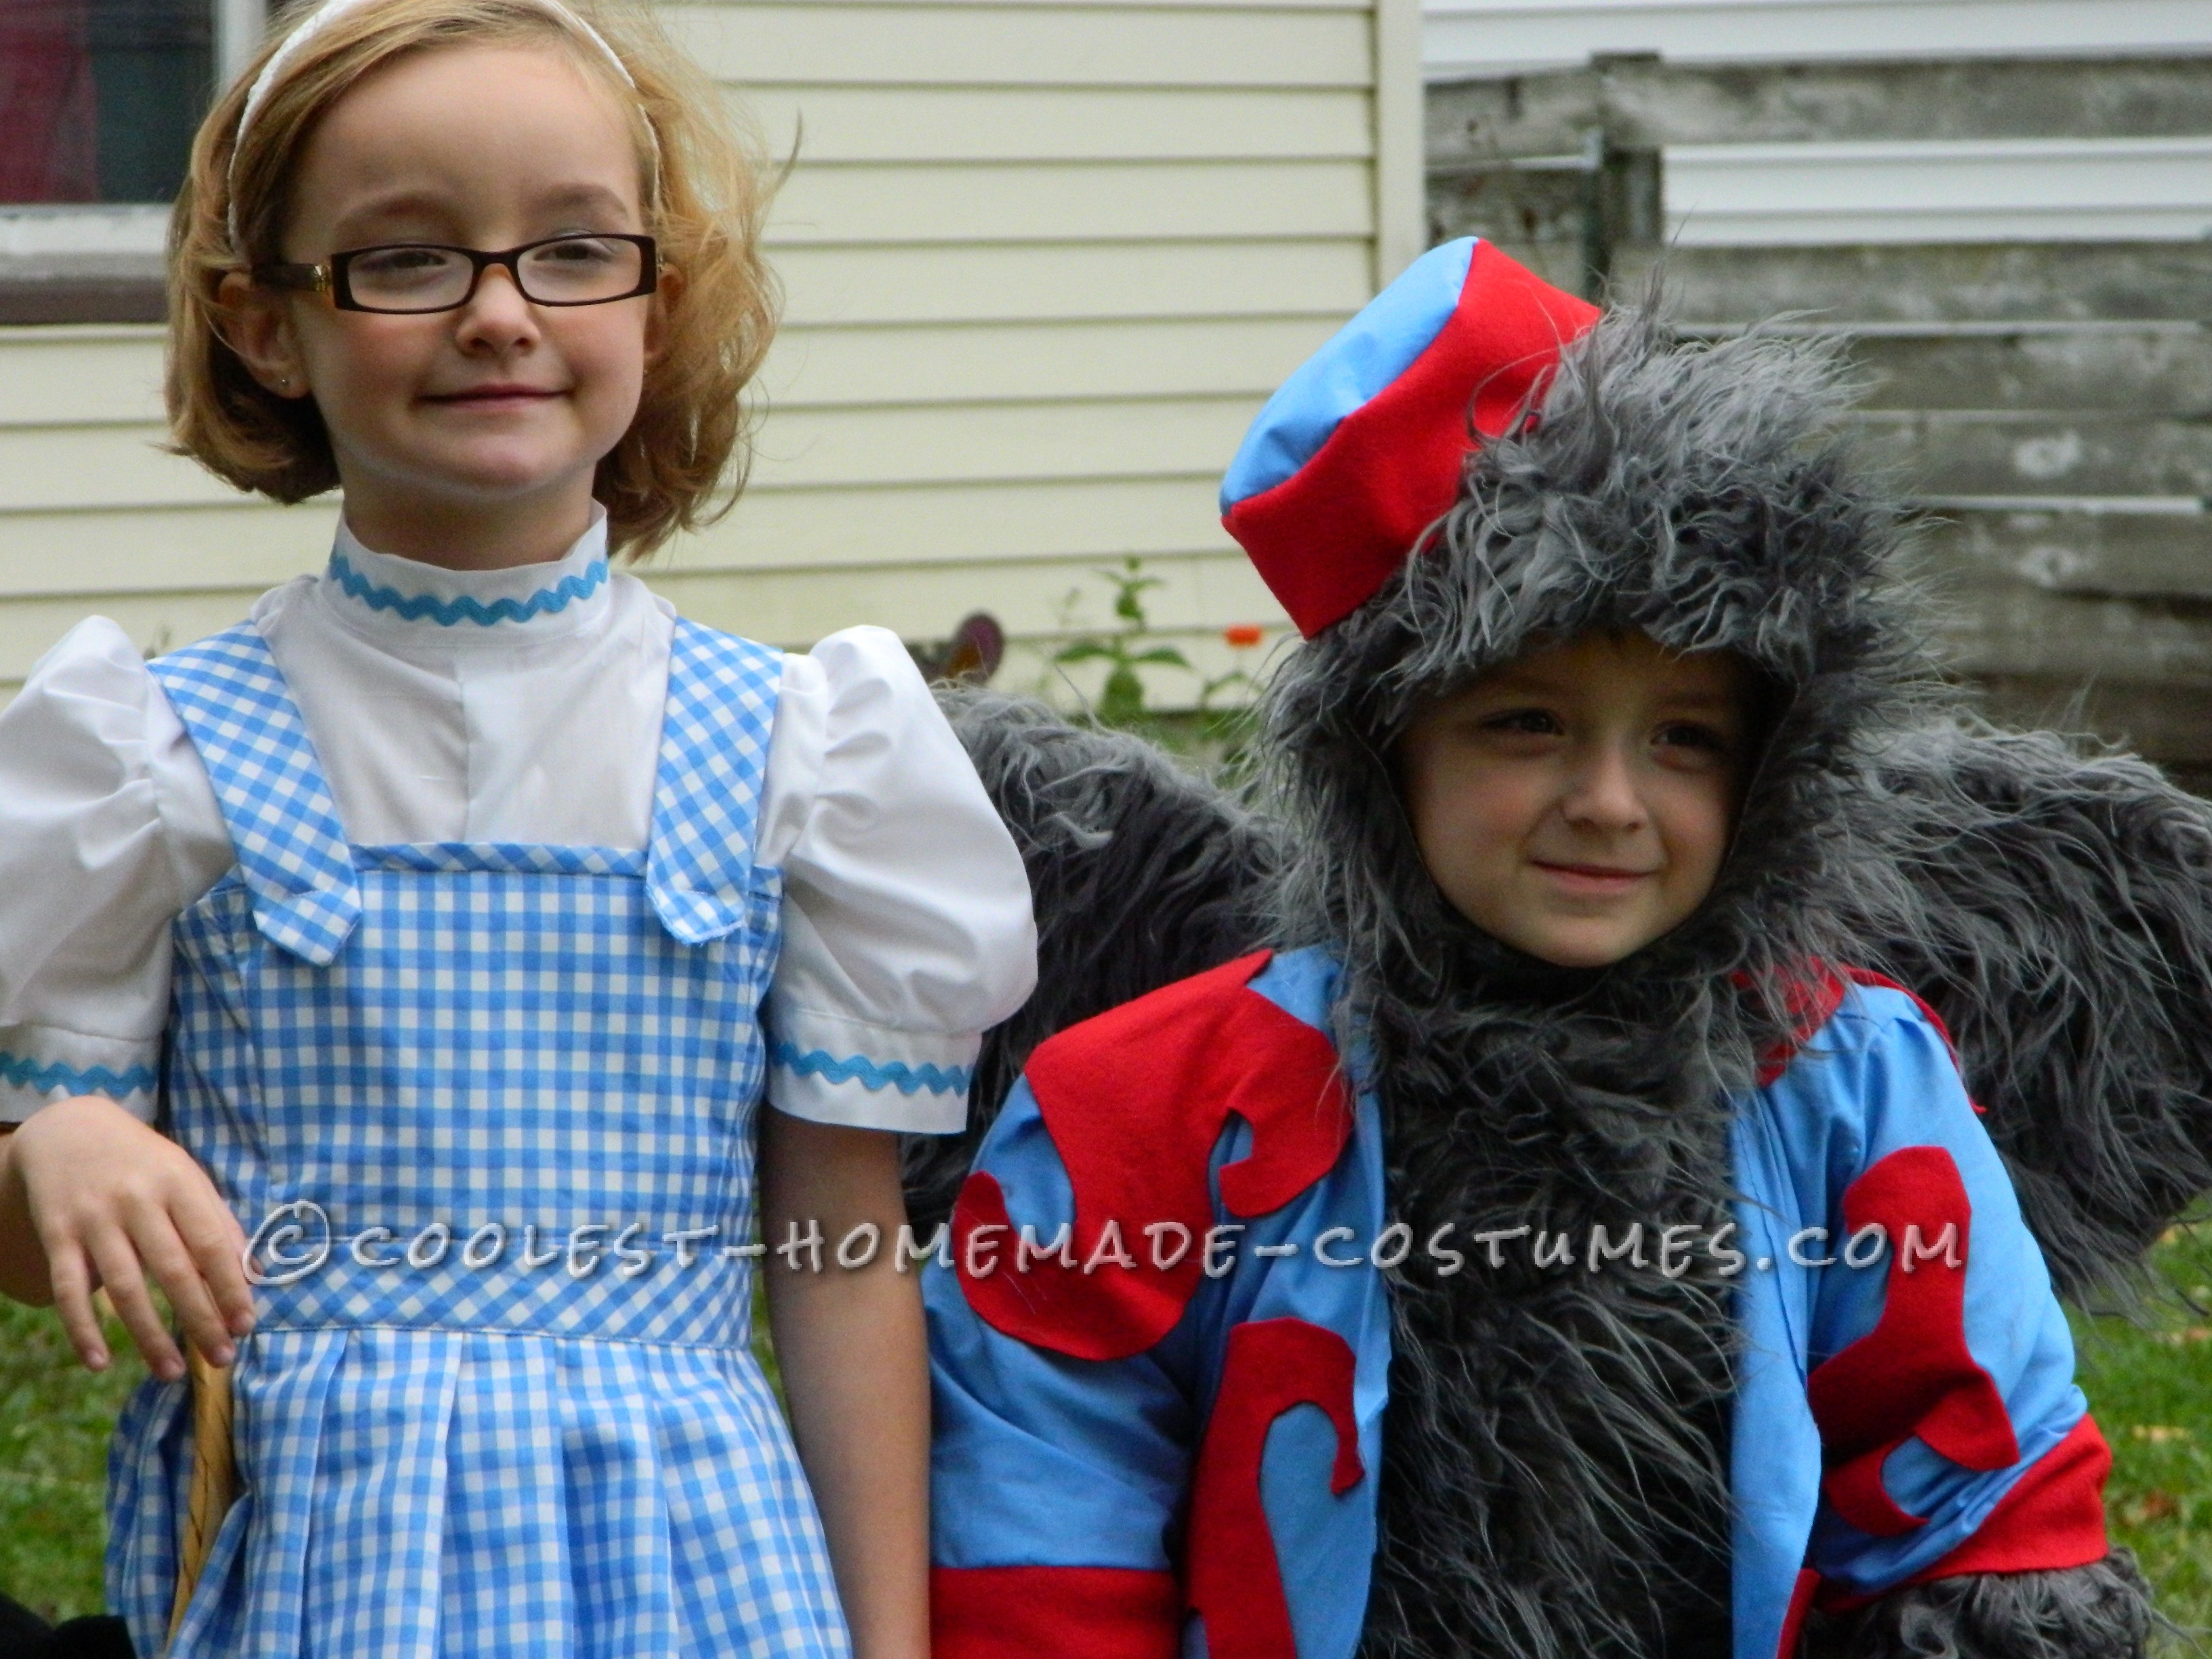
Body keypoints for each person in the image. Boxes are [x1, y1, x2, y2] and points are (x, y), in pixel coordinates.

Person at [920, 240, 2175, 1659]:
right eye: (1527, 723)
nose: (1611, 801)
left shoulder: (1847, 1082)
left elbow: (1977, 1484)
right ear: (1382, 756)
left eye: (1685, 739)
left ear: (1776, 770)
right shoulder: (1138, 1106)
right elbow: (1041, 1519)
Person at [0, 1, 1035, 1654]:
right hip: (321, 1552)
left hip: (689, 1549)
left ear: (657, 298)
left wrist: (886, 1640)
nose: (498, 313)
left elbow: (838, 1255)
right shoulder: (153, 752)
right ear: (268, 324)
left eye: (570, 250)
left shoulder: (792, 746)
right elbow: (61, 1233)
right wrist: (50, 1145)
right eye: (405, 260)